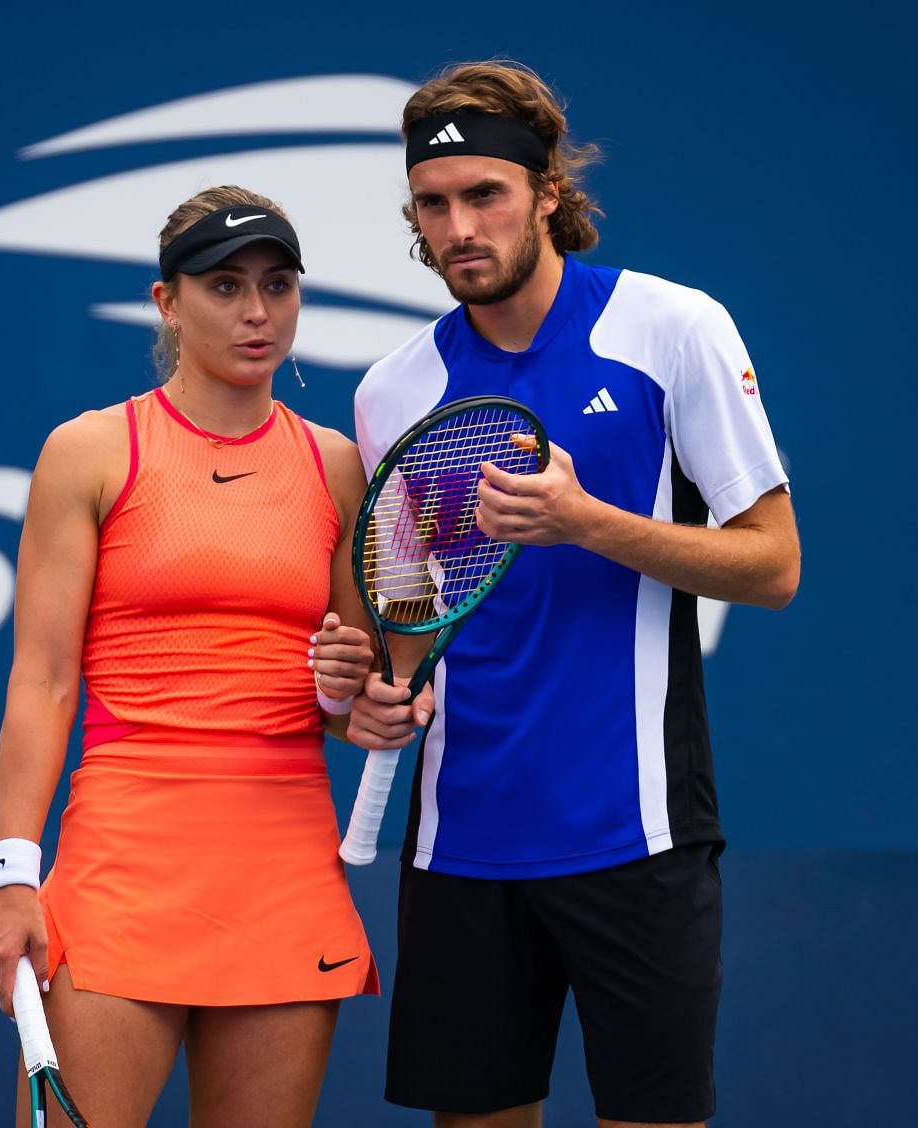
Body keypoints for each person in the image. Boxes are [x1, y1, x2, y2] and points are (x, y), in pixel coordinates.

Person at [347, 62, 802, 1128]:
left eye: (486, 195)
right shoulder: (392, 393)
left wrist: (585, 520)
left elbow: (773, 565)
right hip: (460, 846)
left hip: (633, 836)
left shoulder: (672, 329)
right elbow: (407, 629)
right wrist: (378, 689)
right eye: (433, 202)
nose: (459, 227)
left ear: (549, 188)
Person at [0, 186, 380, 1128]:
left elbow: (346, 697)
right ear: (167, 302)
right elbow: (42, 679)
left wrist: (358, 697)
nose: (256, 312)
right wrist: (13, 876)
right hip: (125, 865)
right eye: (226, 286)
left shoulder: (336, 467)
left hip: (284, 870)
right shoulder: (90, 451)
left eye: (279, 287)